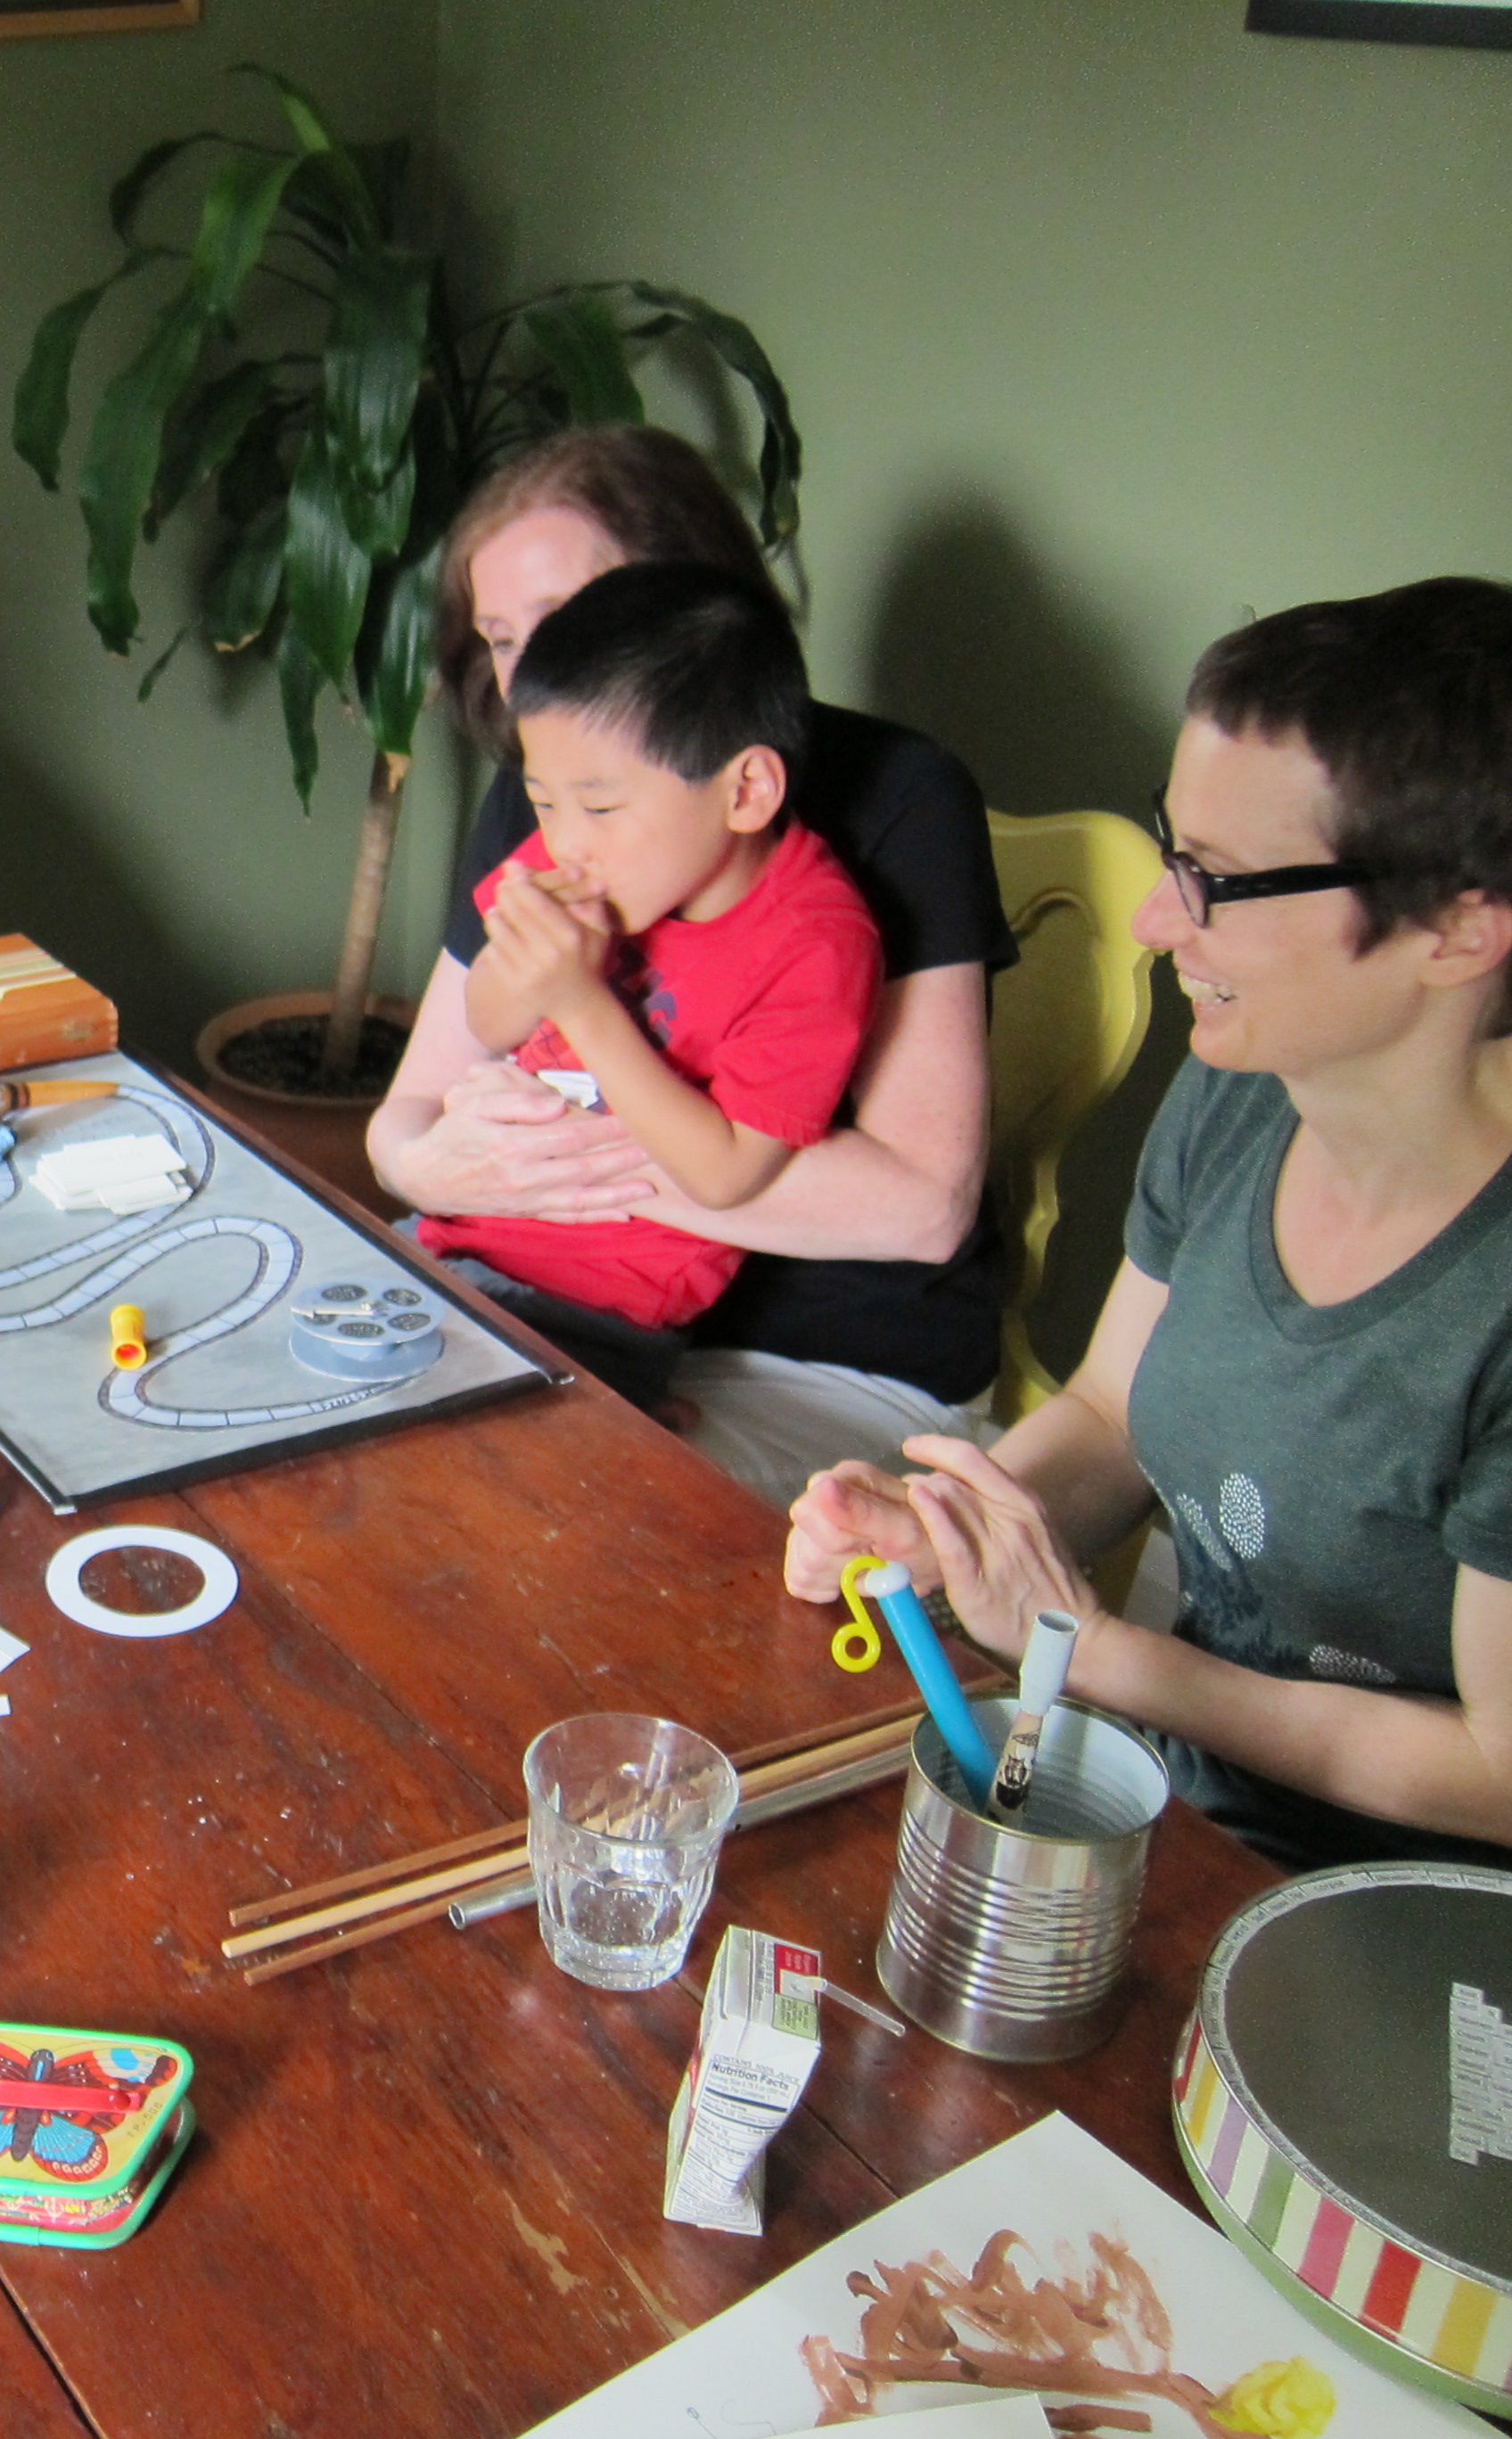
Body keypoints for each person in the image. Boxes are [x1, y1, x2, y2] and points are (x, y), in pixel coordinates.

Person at [786, 578, 1512, 1870]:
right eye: (1177, 852)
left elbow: (1497, 1772)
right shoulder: (1247, 1087)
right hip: (1176, 1806)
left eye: (1217, 880)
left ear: (1459, 931)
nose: (1154, 918)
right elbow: (1115, 1415)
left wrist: (1101, 1653)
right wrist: (955, 1533)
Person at [369, 426, 1012, 1500]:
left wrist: (559, 1150)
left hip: (832, 1358)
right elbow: (411, 1115)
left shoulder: (897, 803)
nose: (534, 684)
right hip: (524, 1275)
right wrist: (429, 1171)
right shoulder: (551, 796)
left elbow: (920, 1210)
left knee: (485, 1499)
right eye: (504, 640)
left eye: (568, 622)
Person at [417, 561, 881, 1411]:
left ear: (746, 790)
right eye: (543, 801)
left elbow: (725, 1174)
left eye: (599, 807)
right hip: (449, 1246)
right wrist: (530, 969)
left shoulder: (815, 945)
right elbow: (487, 1021)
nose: (565, 842)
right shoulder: (581, 858)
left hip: (595, 1317)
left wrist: (581, 1001)